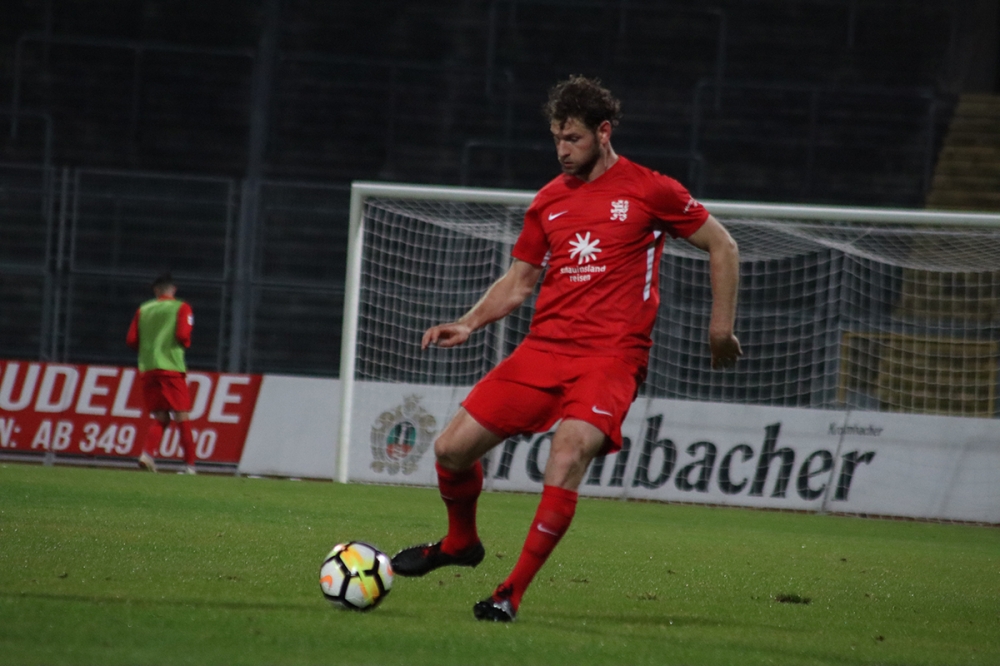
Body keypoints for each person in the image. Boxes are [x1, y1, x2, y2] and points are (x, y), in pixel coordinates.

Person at [390, 75, 742, 622]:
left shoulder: (650, 189)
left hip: (611, 357)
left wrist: (720, 329)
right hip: (543, 350)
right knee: (451, 450)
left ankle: (509, 593)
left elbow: (723, 244)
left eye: (572, 138)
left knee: (568, 452)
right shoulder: (549, 200)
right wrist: (468, 323)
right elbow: (518, 281)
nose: (562, 149)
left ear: (604, 133)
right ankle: (461, 543)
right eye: (556, 138)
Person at [126, 273, 198, 475]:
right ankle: (190, 466)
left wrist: (149, 350)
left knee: (161, 416)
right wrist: (184, 344)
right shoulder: (181, 307)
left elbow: (131, 340)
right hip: (171, 368)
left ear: (155, 290)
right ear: (173, 289)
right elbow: (183, 334)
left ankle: (147, 455)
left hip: (148, 368)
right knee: (181, 415)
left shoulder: (143, 309)